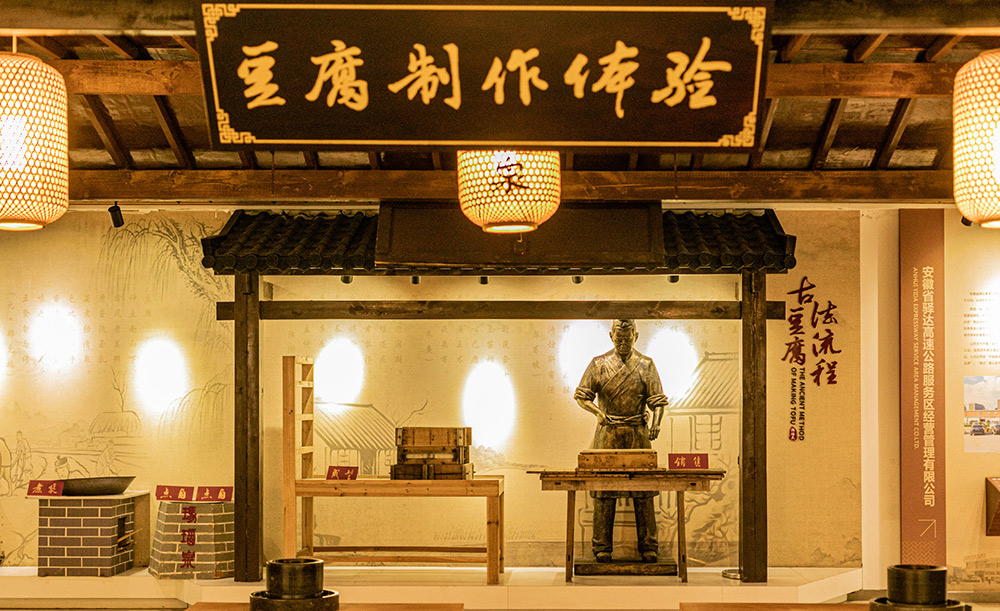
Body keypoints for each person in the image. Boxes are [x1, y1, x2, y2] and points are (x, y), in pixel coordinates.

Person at [574, 319, 668, 563]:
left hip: (638, 434)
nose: (623, 343)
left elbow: (658, 400)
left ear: (636, 336)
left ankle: (649, 545)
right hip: (608, 434)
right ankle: (601, 546)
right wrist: (597, 412)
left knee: (644, 491)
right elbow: (581, 396)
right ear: (611, 336)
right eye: (619, 338)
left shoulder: (646, 364)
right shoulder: (598, 364)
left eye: (627, 338)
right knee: (604, 490)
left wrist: (656, 423)